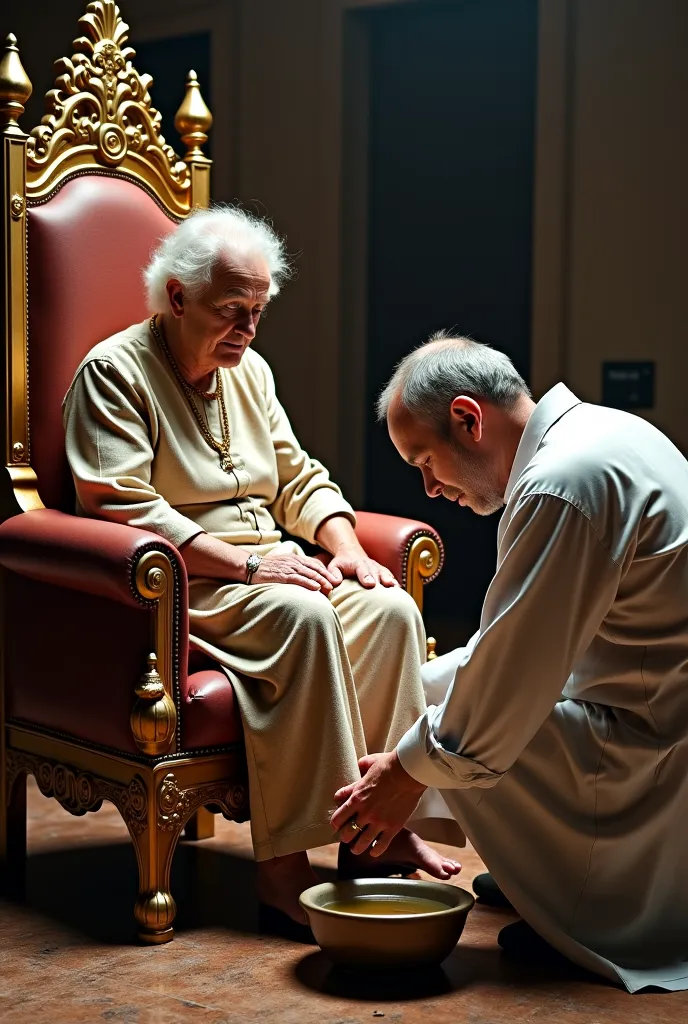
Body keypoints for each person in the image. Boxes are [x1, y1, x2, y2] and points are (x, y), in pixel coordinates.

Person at [63, 209, 459, 934]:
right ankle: (284, 869)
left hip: (266, 568)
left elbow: (297, 480)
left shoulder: (250, 372)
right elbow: (121, 508)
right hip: (182, 585)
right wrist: (250, 562)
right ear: (177, 298)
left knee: (390, 609)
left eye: (258, 311)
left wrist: (342, 548)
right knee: (306, 618)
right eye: (231, 313)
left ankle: (376, 830)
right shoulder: (114, 374)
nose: (248, 330)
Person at [332, 333, 688, 992]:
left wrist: (404, 775)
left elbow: (507, 685)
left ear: (469, 419)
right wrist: (397, 723)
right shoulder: (600, 433)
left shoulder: (563, 482)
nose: (429, 489)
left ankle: (587, 910)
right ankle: (541, 869)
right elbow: (509, 649)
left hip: (651, 754)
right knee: (433, 694)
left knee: (460, 726)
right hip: (643, 708)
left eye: (425, 460)